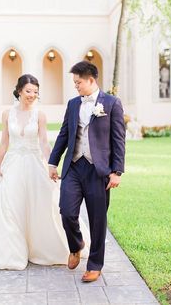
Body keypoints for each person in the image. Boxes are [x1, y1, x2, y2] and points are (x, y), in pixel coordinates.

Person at [0, 74, 89, 270]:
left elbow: (43, 141)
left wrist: (52, 163)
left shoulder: (40, 115)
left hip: (34, 162)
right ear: (19, 91)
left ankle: (44, 244)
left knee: (40, 202)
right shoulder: (7, 114)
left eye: (35, 92)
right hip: (13, 163)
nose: (32, 95)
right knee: (10, 204)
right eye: (28, 91)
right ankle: (11, 248)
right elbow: (4, 141)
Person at [49, 61, 125, 282]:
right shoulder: (73, 104)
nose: (76, 86)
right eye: (74, 83)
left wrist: (117, 171)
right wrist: (53, 162)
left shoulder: (111, 103)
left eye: (78, 82)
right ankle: (76, 245)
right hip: (73, 166)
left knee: (97, 219)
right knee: (67, 212)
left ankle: (94, 265)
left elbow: (118, 140)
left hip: (98, 170)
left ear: (91, 79)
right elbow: (64, 134)